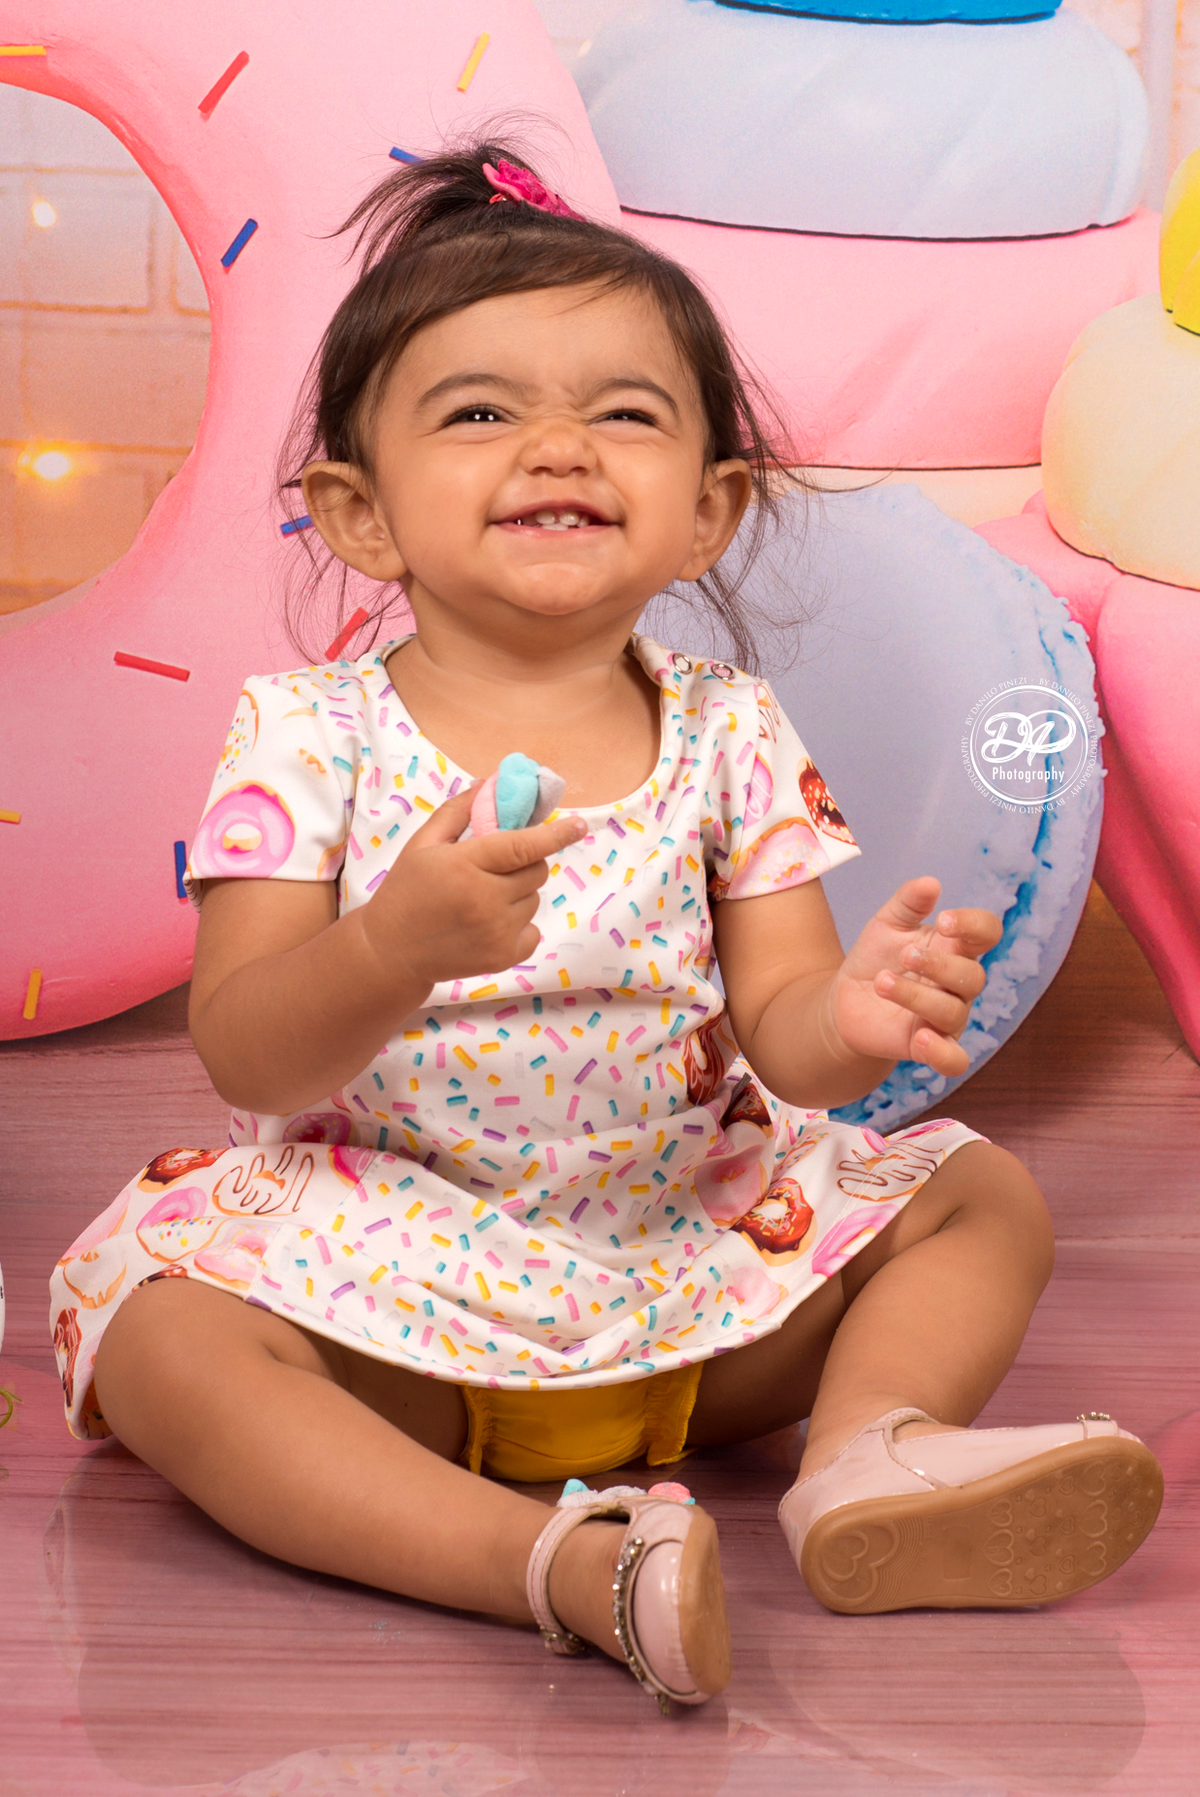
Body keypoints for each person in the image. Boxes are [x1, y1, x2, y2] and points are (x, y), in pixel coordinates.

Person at [52, 143, 1162, 1714]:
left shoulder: (732, 730)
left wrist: (848, 1019)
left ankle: (862, 1459)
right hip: (401, 1286)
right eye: (483, 410)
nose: (559, 442)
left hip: (691, 1260)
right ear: (360, 514)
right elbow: (242, 1045)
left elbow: (783, 1031)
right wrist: (395, 944)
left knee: (982, 1197)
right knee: (162, 1330)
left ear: (707, 510)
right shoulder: (305, 736)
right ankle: (552, 1568)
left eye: (624, 411)